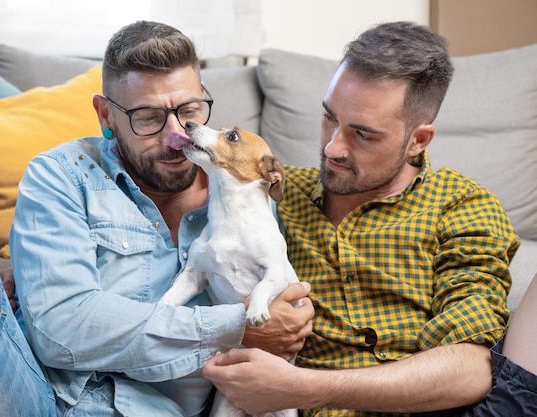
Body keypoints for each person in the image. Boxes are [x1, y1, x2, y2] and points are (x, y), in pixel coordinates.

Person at [0, 21, 315, 416]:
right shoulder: (61, 175)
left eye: (190, 110)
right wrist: (231, 324)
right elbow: (61, 326)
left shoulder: (250, 193)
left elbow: (281, 314)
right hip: (35, 393)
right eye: (147, 117)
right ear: (106, 115)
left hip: (158, 409)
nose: (176, 134)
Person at [203, 21, 537, 416]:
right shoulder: (271, 193)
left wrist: (303, 388)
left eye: (363, 134)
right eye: (329, 117)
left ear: (419, 140)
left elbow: (469, 368)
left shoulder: (462, 205)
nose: (332, 147)